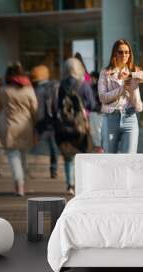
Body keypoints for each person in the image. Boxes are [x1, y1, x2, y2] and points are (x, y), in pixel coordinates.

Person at [98, 39, 143, 153]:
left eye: (127, 52)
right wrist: (121, 90)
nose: (124, 54)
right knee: (110, 159)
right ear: (115, 53)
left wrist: (131, 75)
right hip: (111, 118)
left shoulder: (134, 71)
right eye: (120, 52)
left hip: (130, 117)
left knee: (129, 159)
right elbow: (103, 97)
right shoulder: (105, 72)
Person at [0, 63, 38, 196]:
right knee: (23, 155)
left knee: (13, 155)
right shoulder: (29, 90)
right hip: (25, 125)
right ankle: (22, 184)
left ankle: (19, 184)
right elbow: (35, 109)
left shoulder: (3, 90)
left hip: (8, 125)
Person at [55, 58, 96, 194]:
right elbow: (92, 103)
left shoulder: (61, 85)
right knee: (83, 152)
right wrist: (85, 111)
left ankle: (70, 185)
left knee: (68, 155)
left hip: (65, 125)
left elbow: (58, 105)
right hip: (81, 125)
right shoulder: (84, 85)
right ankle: (82, 184)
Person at [31, 65, 60, 179]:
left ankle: (30, 170)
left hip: (40, 121)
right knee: (53, 147)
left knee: (33, 145)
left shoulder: (36, 89)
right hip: (51, 121)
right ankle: (53, 170)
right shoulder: (54, 86)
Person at [89, 71, 104, 153]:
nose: (90, 79)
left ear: (95, 78)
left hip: (97, 112)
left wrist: (100, 109)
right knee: (96, 130)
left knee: (97, 130)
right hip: (96, 112)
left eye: (91, 78)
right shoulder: (98, 87)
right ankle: (99, 147)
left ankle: (99, 148)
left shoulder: (96, 87)